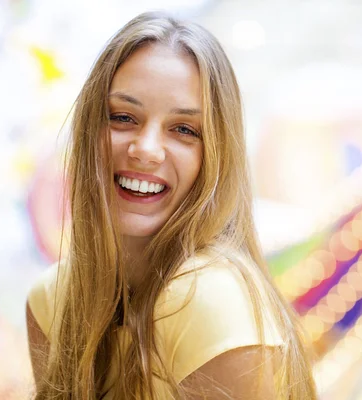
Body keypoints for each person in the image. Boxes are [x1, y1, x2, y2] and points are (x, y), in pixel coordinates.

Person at [25, 11, 317, 400]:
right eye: (123, 117)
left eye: (184, 130)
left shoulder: (210, 297)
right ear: (88, 130)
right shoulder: (52, 300)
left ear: (216, 156)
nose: (145, 150)